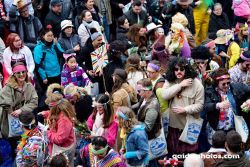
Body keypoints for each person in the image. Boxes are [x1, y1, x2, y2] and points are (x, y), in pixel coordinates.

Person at [161, 57, 204, 154]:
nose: (178, 72)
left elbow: (200, 105)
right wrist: (180, 85)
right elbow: (164, 95)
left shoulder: (197, 85)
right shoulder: (170, 80)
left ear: (187, 69)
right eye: (176, 69)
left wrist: (185, 109)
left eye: (181, 69)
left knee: (189, 154)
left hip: (189, 125)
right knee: (174, 152)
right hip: (174, 126)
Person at [0, 63, 38, 157]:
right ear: (14, 75)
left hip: (26, 120)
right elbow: (5, 102)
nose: (21, 74)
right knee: (14, 143)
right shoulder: (8, 88)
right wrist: (12, 110)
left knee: (27, 140)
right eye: (18, 73)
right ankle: (16, 158)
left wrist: (21, 110)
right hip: (11, 121)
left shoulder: (29, 86)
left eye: (23, 72)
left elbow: (34, 101)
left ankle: (26, 158)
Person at [43, 89, 76, 166]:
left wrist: (47, 132)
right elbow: (54, 114)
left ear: (54, 107)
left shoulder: (64, 120)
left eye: (49, 107)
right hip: (62, 146)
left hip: (63, 149)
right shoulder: (59, 110)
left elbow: (60, 139)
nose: (48, 108)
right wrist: (47, 113)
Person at [33, 25, 64, 91]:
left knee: (58, 93)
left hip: (57, 73)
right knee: (49, 95)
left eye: (52, 35)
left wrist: (56, 45)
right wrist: (43, 77)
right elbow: (38, 64)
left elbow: (62, 54)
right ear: (43, 36)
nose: (50, 37)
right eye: (48, 36)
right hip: (47, 76)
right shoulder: (38, 48)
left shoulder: (55, 44)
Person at [76, 28, 105, 93]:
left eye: (101, 40)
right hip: (92, 74)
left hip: (102, 72)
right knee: (96, 91)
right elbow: (79, 62)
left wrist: (102, 68)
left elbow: (104, 58)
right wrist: (88, 71)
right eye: (99, 40)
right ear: (93, 40)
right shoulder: (86, 49)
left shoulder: (102, 45)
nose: (101, 42)